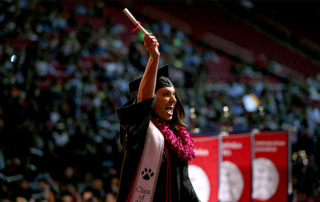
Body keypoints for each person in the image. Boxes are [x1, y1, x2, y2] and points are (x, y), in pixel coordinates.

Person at [116, 33, 199, 202]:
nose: (174, 100)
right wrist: (154, 57)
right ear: (153, 99)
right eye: (166, 94)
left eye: (174, 95)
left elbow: (185, 185)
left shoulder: (176, 138)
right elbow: (143, 103)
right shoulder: (141, 131)